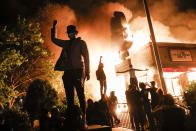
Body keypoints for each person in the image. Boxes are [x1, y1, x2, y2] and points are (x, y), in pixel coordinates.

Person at [51, 20, 90, 129]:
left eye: (72, 32)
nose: (70, 34)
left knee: (81, 96)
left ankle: (84, 119)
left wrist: (88, 72)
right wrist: (54, 28)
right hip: (68, 73)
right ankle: (72, 120)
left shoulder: (81, 43)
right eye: (69, 33)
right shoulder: (66, 43)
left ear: (75, 33)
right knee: (69, 98)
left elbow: (86, 57)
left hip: (78, 71)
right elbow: (53, 39)